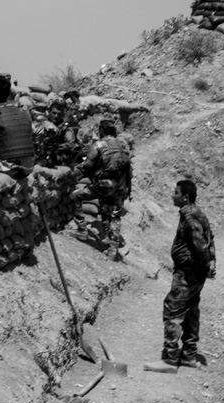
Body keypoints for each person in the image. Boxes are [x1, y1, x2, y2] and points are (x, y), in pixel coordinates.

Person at [144, 180, 216, 374]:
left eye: (175, 192)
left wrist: (205, 265)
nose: (172, 195)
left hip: (188, 273)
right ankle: (189, 356)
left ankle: (169, 359)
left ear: (185, 197)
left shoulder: (189, 216)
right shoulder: (198, 213)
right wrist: (211, 264)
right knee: (192, 310)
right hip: (196, 274)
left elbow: (201, 245)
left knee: (173, 310)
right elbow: (211, 239)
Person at [69, 116, 132, 260]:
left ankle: (82, 230)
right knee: (112, 214)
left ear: (102, 130)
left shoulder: (100, 145)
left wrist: (72, 176)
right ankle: (112, 250)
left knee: (75, 196)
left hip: (105, 185)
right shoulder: (121, 145)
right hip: (121, 186)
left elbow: (87, 167)